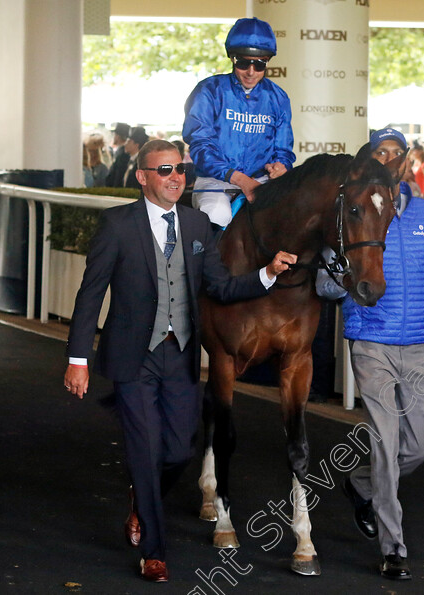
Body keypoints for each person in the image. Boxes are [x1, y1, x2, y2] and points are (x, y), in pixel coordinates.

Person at [62, 139, 296, 582]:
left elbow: (222, 288)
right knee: (146, 450)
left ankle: (141, 500)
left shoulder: (197, 224)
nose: (175, 177)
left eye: (181, 170)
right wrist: (78, 357)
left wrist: (268, 273)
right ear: (143, 177)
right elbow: (90, 295)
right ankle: (155, 550)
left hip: (182, 355)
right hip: (133, 357)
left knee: (177, 451)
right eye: (165, 170)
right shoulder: (116, 225)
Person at [318, 127, 424, 581]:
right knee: (385, 444)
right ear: (368, 160)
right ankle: (393, 548)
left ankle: (359, 485)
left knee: (418, 446)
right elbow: (324, 285)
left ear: (405, 162)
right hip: (372, 342)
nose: (388, 159)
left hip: (421, 343)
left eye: (395, 153)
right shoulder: (349, 210)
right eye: (379, 152)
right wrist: (343, 277)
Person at [183, 17, 295, 230]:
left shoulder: (279, 97)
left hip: (262, 182)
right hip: (216, 181)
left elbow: (283, 149)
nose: (251, 71)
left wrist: (281, 166)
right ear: (232, 59)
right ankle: (208, 264)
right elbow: (200, 145)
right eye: (243, 63)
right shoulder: (209, 91)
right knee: (217, 214)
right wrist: (240, 179)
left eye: (260, 64)